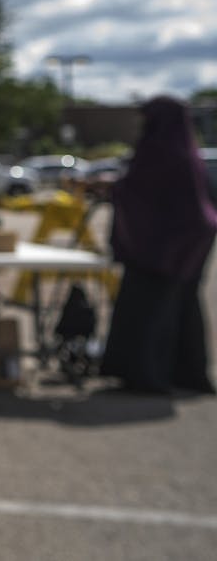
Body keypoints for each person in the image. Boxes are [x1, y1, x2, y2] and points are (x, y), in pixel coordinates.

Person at [100, 96, 216, 395]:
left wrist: (114, 188)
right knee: (182, 306)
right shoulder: (186, 151)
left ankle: (147, 376)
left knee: (149, 309)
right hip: (192, 238)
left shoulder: (159, 150)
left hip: (164, 244)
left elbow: (137, 193)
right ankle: (187, 373)